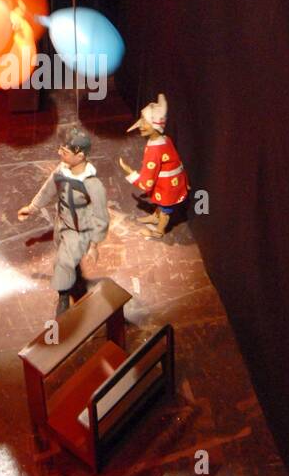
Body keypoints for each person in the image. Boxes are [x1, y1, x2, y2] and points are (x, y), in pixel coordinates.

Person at [17, 125, 109, 316]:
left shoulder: (92, 184)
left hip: (79, 230)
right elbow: (48, 189)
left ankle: (64, 295)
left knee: (63, 262)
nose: (59, 153)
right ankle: (69, 274)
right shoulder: (61, 170)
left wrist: (94, 244)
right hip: (61, 223)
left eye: (65, 151)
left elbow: (101, 217)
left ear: (80, 155)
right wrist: (32, 207)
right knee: (62, 251)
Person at [119, 93, 189, 238]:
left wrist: (131, 172)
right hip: (171, 182)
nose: (141, 125)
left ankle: (159, 231)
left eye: (145, 121)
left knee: (165, 209)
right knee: (162, 205)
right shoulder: (164, 139)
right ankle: (155, 216)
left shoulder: (155, 150)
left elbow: (147, 180)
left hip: (168, 186)